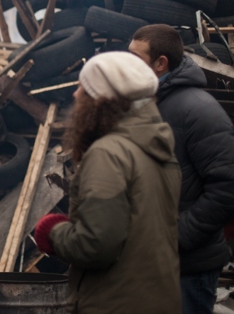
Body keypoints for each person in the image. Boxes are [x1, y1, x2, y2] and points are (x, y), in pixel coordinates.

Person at [33, 51, 181, 313]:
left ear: (101, 100)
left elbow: (96, 245)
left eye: (83, 88)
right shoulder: (158, 149)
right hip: (157, 298)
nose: (76, 95)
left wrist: (53, 233)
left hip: (115, 302)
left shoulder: (109, 154)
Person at [129, 24, 234, 313]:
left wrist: (174, 239)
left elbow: (227, 190)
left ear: (160, 63)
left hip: (187, 269)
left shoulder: (199, 110)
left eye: (136, 59)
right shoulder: (147, 105)